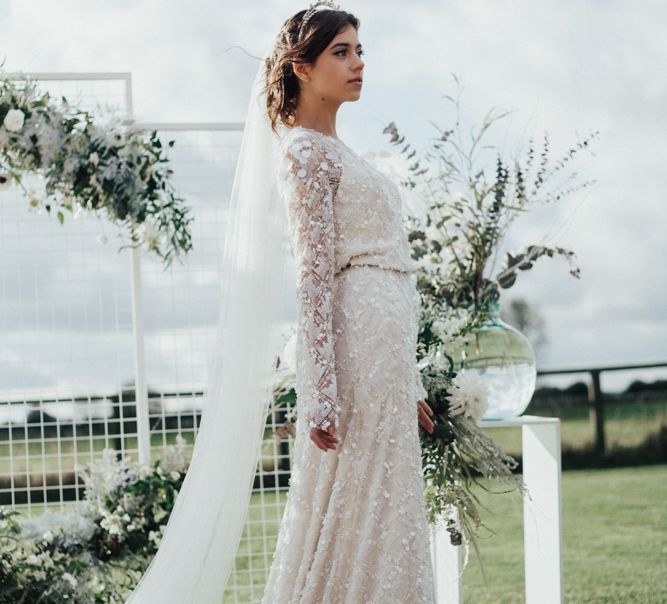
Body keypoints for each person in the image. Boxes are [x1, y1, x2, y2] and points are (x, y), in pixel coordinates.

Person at [259, 3, 437, 602]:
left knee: (387, 501)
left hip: (385, 350)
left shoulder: (343, 150)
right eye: (342, 52)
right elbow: (312, 275)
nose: (359, 63)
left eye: (360, 51)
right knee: (352, 503)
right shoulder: (304, 151)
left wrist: (408, 378)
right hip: (354, 348)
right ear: (302, 68)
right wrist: (320, 390)